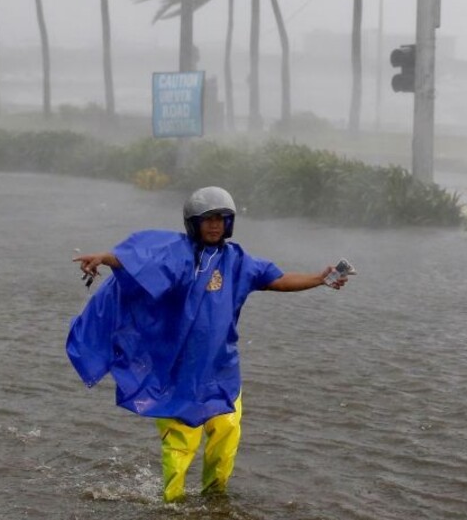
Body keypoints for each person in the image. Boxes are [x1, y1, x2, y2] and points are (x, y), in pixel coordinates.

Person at [66, 186, 349, 502]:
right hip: (178, 374)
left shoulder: (237, 261)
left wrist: (319, 279)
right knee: (180, 444)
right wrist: (105, 258)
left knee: (226, 436)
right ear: (193, 222)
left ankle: (215, 500)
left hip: (222, 370)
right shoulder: (177, 255)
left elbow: (277, 280)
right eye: (208, 219)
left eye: (222, 219)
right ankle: (171, 507)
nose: (215, 225)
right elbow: (140, 262)